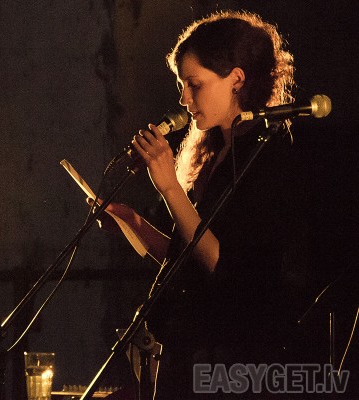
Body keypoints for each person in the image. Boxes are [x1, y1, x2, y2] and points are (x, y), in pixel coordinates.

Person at [98, 10, 297, 398]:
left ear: (236, 79)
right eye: (181, 85)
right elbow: (188, 256)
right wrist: (132, 222)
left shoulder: (265, 154)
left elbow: (222, 265)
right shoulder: (215, 151)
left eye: (194, 84)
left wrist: (170, 188)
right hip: (184, 350)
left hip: (225, 361)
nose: (184, 98)